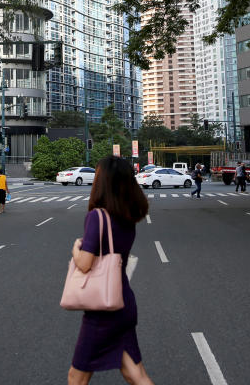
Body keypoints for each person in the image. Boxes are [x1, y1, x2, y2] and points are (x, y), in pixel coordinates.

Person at [68, 156, 153, 385]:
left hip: (104, 310)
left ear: (102, 181)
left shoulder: (97, 217)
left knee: (76, 377)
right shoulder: (128, 217)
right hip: (123, 301)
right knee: (136, 374)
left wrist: (76, 248)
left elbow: (85, 263)